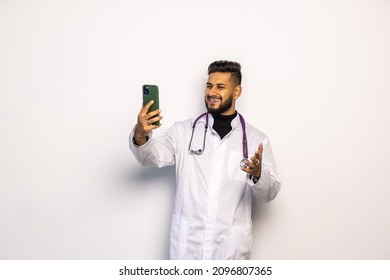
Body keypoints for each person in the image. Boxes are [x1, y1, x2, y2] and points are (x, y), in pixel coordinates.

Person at [129, 60, 281, 260]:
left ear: (236, 92)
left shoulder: (255, 140)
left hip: (229, 250)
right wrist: (140, 134)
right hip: (187, 247)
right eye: (209, 86)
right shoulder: (183, 131)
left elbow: (269, 194)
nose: (212, 92)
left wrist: (258, 174)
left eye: (220, 86)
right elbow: (151, 156)